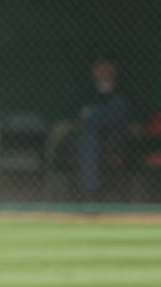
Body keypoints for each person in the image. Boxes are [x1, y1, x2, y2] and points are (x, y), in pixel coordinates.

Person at [50, 54, 135, 200]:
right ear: (93, 70)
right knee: (89, 136)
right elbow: (67, 122)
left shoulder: (125, 92)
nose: (103, 70)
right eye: (99, 67)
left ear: (115, 69)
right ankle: (91, 193)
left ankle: (90, 192)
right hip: (84, 141)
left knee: (111, 108)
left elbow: (135, 124)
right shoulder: (83, 94)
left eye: (107, 66)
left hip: (113, 141)